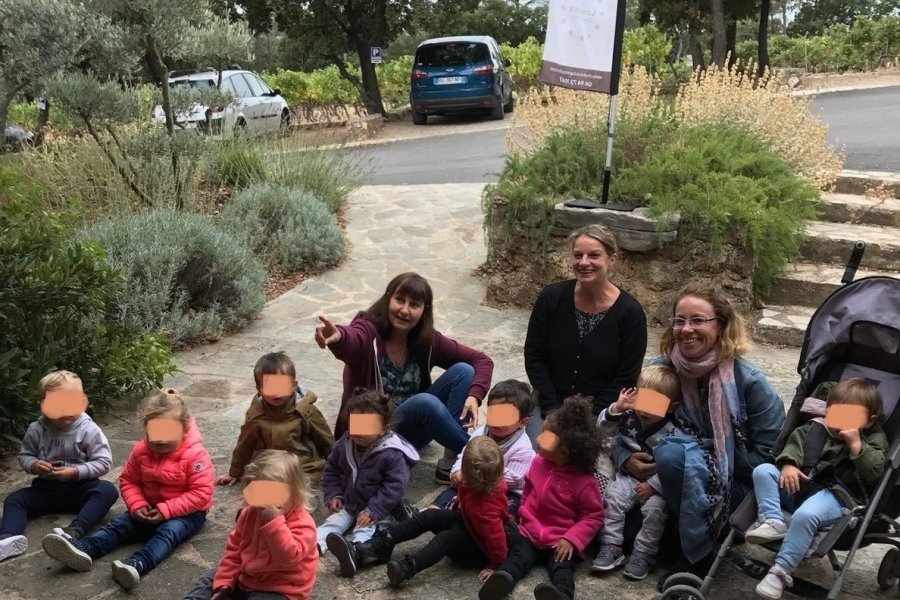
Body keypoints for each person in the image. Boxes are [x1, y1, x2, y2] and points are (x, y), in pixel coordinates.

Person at [613, 282, 785, 588]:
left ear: (721, 327)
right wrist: (626, 458)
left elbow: (769, 458)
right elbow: (633, 422)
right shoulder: (664, 373)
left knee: (671, 452)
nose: (686, 329)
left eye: (698, 320)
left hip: (732, 486)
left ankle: (699, 557)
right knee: (627, 538)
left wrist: (705, 455)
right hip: (662, 483)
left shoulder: (749, 384)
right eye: (680, 320)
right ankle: (693, 535)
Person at [315, 272, 494, 482]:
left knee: (464, 371)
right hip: (369, 436)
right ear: (388, 298)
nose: (404, 310)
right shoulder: (369, 329)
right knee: (425, 402)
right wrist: (339, 338)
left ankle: (451, 461)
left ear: (424, 310)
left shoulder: (427, 340)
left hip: (410, 429)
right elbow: (354, 338)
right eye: (399, 300)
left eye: (414, 304)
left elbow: (482, 360)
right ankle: (482, 460)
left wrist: (475, 395)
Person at [42, 389, 214, 590]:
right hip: (147, 507)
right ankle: (85, 548)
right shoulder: (141, 451)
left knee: (168, 533)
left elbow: (201, 494)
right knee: (118, 525)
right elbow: (129, 480)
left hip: (186, 514)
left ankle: (137, 564)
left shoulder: (195, 455)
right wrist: (137, 504)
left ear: (184, 430)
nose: (161, 440)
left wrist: (167, 510)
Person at [748, 378, 887, 599]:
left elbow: (875, 474)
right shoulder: (816, 427)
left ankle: (780, 571)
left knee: (806, 514)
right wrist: (789, 464)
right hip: (800, 484)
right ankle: (773, 520)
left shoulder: (875, 439)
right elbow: (793, 444)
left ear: (869, 422)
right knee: (763, 471)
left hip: (836, 495)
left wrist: (857, 445)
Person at [523, 224, 647, 442]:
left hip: (602, 413)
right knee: (536, 458)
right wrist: (552, 410)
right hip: (549, 404)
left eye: (594, 255)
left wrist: (589, 419)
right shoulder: (551, 298)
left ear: (612, 259)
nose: (584, 262)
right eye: (577, 255)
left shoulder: (630, 313)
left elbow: (626, 376)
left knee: (588, 469)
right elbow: (534, 357)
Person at [478, 396, 604, 600]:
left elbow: (593, 516)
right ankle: (503, 579)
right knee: (517, 557)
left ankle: (561, 594)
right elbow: (528, 487)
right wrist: (524, 512)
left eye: (546, 437)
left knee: (562, 568)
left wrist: (572, 539)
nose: (538, 438)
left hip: (560, 540)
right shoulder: (538, 462)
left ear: (565, 451)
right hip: (531, 531)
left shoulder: (584, 481)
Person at [359, 436, 515, 587]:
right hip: (470, 524)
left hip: (480, 549)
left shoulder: (484, 510)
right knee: (429, 515)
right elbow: (467, 496)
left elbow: (496, 540)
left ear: (470, 477)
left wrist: (496, 565)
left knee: (445, 538)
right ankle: (385, 541)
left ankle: (407, 567)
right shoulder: (486, 481)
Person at [0, 370, 118, 561]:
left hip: (81, 488)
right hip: (47, 490)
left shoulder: (88, 429)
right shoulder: (36, 429)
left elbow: (104, 462)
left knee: (107, 490)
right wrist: (35, 465)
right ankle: (9, 538)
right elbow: (25, 456)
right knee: (15, 499)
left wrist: (75, 472)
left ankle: (74, 531)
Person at [182, 450, 318, 600]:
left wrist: (275, 524)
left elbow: (289, 559)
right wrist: (224, 583)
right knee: (210, 578)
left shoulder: (303, 523)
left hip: (281, 586)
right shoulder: (249, 514)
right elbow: (234, 551)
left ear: (296, 494)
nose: (268, 500)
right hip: (248, 575)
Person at [591, 364, 681, 580]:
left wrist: (654, 486)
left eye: (654, 404)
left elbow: (678, 462)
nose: (645, 410)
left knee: (655, 512)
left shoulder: (675, 429)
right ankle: (611, 545)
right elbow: (603, 433)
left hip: (657, 485)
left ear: (671, 407)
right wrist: (615, 410)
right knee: (612, 498)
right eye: (643, 400)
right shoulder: (629, 415)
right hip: (627, 475)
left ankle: (643, 554)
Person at [318, 388, 419, 577]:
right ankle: (315, 544)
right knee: (333, 522)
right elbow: (331, 469)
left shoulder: (392, 453)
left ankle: (358, 553)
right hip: (349, 502)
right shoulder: (345, 443)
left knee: (365, 529)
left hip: (377, 508)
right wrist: (333, 494)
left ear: (384, 428)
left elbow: (394, 488)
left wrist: (374, 510)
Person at [216, 352, 333, 487]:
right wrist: (234, 473)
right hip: (268, 468)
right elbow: (244, 445)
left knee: (298, 490)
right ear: (259, 389)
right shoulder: (256, 415)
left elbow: (326, 440)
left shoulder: (306, 411)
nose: (276, 393)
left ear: (294, 385)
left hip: (304, 467)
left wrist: (338, 469)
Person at [430, 379, 536, 517]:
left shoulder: (523, 448)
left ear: (522, 422)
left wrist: (477, 474)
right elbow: (465, 455)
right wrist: (457, 471)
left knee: (497, 517)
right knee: (434, 509)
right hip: (471, 482)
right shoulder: (481, 432)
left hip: (506, 492)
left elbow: (515, 479)